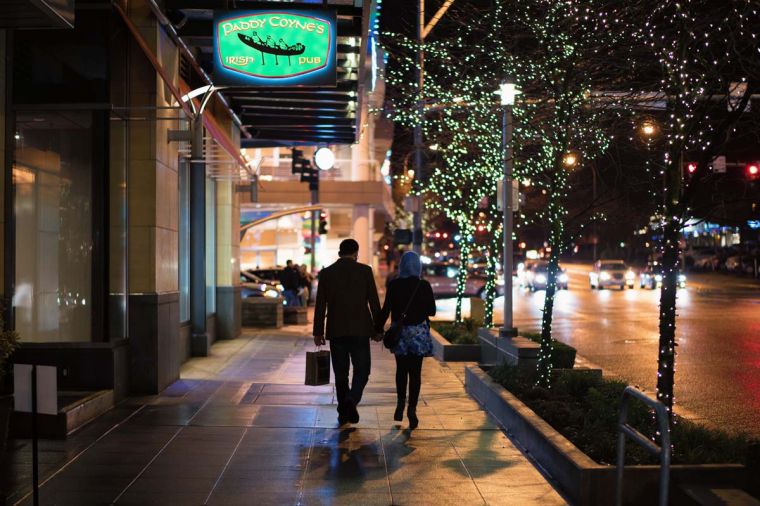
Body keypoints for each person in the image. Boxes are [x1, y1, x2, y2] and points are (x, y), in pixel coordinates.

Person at [313, 239, 383, 425]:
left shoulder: (327, 273)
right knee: (362, 370)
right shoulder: (365, 271)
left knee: (341, 373)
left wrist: (318, 332)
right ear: (356, 253)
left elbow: (320, 304)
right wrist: (378, 328)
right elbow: (374, 302)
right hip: (360, 330)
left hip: (336, 330)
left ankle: (343, 411)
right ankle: (351, 400)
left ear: (339, 252)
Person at [377, 251, 436, 429]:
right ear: (418, 266)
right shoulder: (423, 285)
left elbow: (386, 309)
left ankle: (400, 402)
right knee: (415, 373)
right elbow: (432, 311)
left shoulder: (394, 284)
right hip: (418, 334)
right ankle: (412, 409)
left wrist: (378, 329)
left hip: (400, 334)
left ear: (402, 265)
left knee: (401, 370)